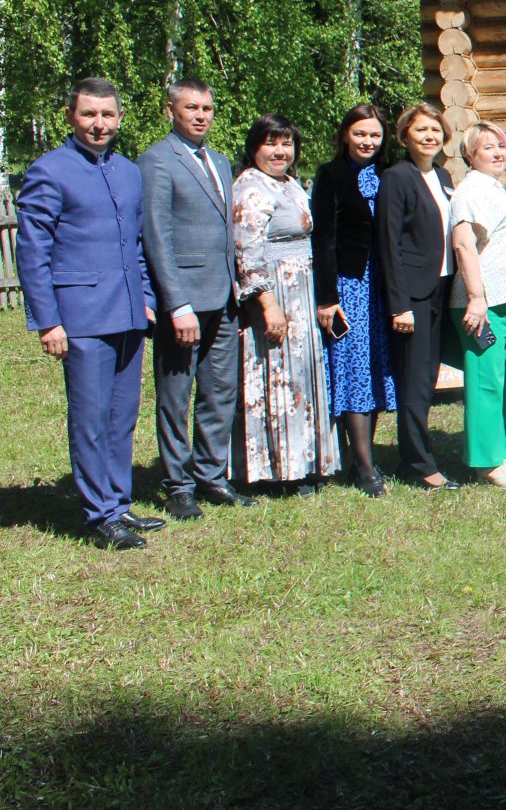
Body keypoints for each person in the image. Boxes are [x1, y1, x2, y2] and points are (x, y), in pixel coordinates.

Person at [17, 79, 160, 549]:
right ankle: (99, 514)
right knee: (91, 417)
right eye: (89, 115)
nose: (99, 124)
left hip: (128, 314)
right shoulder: (49, 171)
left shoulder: (126, 171)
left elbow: (136, 245)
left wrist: (146, 298)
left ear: (119, 118)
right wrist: (48, 321)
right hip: (80, 316)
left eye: (107, 115)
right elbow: (33, 252)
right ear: (70, 117)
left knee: (121, 417)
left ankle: (118, 502)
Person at [140, 77, 251, 519]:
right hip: (184, 303)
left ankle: (211, 476)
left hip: (223, 299)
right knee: (176, 395)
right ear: (171, 111)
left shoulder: (220, 161)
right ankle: (177, 484)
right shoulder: (156, 161)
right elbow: (157, 238)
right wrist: (175, 304)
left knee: (219, 392)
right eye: (191, 108)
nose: (200, 115)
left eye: (206, 108)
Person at [231, 114, 341, 490]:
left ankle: (304, 460)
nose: (280, 152)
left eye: (287, 144)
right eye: (271, 143)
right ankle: (276, 469)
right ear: (254, 148)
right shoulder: (250, 186)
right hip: (275, 292)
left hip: (301, 290)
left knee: (299, 375)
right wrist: (268, 304)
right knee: (276, 375)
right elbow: (246, 250)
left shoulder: (290, 184)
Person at [448, 121, 506, 488]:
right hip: (483, 303)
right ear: (470, 154)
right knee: (486, 382)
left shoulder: (495, 189)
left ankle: (498, 455)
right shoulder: (471, 190)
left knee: (502, 381)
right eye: (488, 147)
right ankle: (485, 463)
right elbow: (463, 244)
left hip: (503, 301)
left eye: (502, 145)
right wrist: (476, 298)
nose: (499, 152)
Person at [312, 104, 397, 496]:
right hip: (350, 286)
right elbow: (324, 240)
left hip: (384, 287)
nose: (367, 141)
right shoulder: (330, 176)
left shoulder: (388, 175)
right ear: (346, 135)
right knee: (353, 371)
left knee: (376, 368)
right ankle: (363, 467)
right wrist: (327, 297)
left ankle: (361, 458)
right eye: (360, 134)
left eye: (374, 135)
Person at [377, 101, 456, 488]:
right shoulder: (397, 177)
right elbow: (388, 245)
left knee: (428, 377)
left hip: (441, 288)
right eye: (421, 130)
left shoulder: (442, 176)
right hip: (413, 296)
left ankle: (419, 452)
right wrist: (399, 305)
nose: (430, 136)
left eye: (435, 130)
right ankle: (419, 464)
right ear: (405, 136)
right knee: (414, 380)